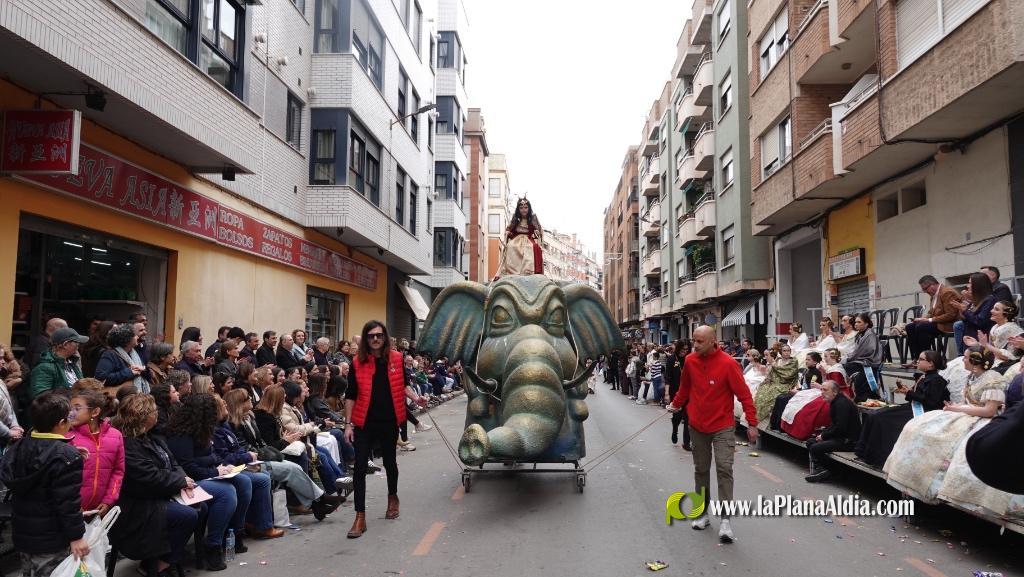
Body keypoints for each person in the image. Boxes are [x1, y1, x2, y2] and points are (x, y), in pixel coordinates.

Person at [165, 393, 279, 570]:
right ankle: (213, 545)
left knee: (243, 482)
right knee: (227, 493)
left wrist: (222, 467)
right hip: (189, 481)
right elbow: (188, 467)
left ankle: (235, 532)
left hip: (208, 472)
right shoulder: (182, 435)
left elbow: (211, 456)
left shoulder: (203, 429)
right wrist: (214, 468)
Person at [667, 326, 758, 543]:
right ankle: (702, 514)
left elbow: (744, 395)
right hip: (697, 425)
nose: (695, 345)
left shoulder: (728, 363)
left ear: (712, 341)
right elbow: (685, 388)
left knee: (724, 469)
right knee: (701, 470)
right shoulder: (689, 361)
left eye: (699, 341)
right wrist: (675, 404)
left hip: (723, 426)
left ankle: (726, 521)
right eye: (694, 341)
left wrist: (752, 424)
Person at [884, 346, 1005, 503]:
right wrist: (956, 408)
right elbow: (967, 402)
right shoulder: (972, 377)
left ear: (975, 361)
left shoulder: (993, 378)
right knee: (917, 427)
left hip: (984, 420)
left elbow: (989, 410)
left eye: (966, 357)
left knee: (944, 438)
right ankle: (916, 477)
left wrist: (957, 408)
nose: (963, 359)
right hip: (966, 414)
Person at [343, 321, 426, 539]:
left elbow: (405, 384)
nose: (375, 339)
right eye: (371, 336)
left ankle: (392, 497)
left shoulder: (397, 358)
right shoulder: (356, 362)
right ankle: (360, 516)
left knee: (390, 462)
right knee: (360, 467)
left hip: (389, 420)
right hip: (364, 422)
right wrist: (348, 424)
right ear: (366, 338)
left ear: (385, 337)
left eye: (379, 335)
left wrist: (417, 398)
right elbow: (350, 394)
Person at [109, 394, 199, 577]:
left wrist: (184, 479)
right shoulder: (128, 444)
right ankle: (162, 563)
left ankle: (170, 557)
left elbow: (173, 462)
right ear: (144, 416)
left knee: (200, 506)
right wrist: (180, 482)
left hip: (161, 493)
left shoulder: (151, 437)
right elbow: (148, 477)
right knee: (187, 515)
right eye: (154, 411)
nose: (157, 414)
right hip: (138, 504)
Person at [0, 393, 88, 577]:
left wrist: (65, 451)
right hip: (52, 538)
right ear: (62, 422)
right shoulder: (66, 458)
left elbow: (40, 459)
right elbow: (68, 503)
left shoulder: (20, 446)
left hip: (25, 535)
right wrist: (77, 536)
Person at [221, 389, 341, 520]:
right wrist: (283, 443)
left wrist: (281, 444)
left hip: (259, 457)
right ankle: (319, 500)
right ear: (239, 403)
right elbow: (248, 449)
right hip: (250, 462)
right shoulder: (235, 424)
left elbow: (261, 444)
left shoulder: (250, 417)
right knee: (292, 467)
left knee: (298, 463)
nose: (251, 398)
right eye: (246, 398)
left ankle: (317, 503)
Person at [855, 350, 948, 467]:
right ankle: (863, 452)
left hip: (923, 413)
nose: (918, 361)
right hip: (913, 408)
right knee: (874, 415)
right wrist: (908, 392)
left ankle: (878, 458)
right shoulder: (925, 377)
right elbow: (917, 397)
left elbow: (931, 402)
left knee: (881, 419)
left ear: (931, 364)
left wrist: (909, 392)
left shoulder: (937, 380)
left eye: (921, 359)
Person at [69, 390, 123, 517]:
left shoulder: (115, 436)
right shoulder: (67, 436)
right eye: (70, 408)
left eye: (77, 408)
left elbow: (118, 471)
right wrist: (72, 503)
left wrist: (109, 500)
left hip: (98, 510)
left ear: (95, 412)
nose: (71, 413)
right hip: (71, 509)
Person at [804, 380, 862, 483]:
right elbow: (834, 425)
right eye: (821, 389)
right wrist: (822, 434)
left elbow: (840, 427)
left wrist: (824, 436)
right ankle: (823, 468)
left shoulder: (841, 404)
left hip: (849, 441)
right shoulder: (836, 401)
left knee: (815, 447)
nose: (822, 392)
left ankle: (832, 470)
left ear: (834, 392)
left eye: (825, 390)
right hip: (841, 436)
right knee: (811, 441)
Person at [904, 275, 962, 365]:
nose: (925, 291)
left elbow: (951, 315)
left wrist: (929, 320)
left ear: (932, 285)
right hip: (937, 323)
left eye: (925, 289)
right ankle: (916, 358)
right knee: (910, 327)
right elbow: (931, 313)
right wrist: (922, 319)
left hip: (948, 324)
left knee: (922, 327)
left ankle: (926, 359)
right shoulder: (933, 295)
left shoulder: (947, 292)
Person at [963, 300, 1022, 372]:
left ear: (1006, 314)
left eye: (996, 309)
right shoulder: (995, 327)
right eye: (993, 308)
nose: (991, 311)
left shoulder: (1011, 329)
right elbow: (990, 350)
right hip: (994, 359)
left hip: (1006, 364)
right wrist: (977, 344)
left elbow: (1010, 357)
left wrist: (986, 345)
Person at [29, 327, 88, 399]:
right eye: (76, 342)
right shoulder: (44, 367)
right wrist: (71, 395)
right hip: (60, 409)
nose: (78, 345)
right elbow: (40, 397)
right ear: (65, 344)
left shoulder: (72, 363)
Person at [495, 197, 544, 277]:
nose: (523, 210)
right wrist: (508, 233)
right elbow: (511, 231)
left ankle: (527, 271)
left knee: (531, 247)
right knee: (511, 246)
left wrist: (537, 233)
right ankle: (511, 271)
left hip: (528, 239)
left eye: (525, 207)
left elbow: (538, 231)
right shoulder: (515, 219)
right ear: (518, 209)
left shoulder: (533, 218)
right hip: (516, 240)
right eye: (521, 208)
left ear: (529, 208)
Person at [96, 324, 150, 395]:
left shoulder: (134, 353)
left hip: (138, 396)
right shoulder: (110, 354)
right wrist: (129, 372)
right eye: (134, 335)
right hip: (120, 399)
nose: (137, 336)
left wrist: (143, 369)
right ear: (127, 340)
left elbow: (148, 376)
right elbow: (101, 378)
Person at [954, 272, 997, 355]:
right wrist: (962, 310)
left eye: (970, 283)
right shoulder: (976, 300)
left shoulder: (990, 300)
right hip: (970, 338)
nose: (967, 286)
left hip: (980, 342)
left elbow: (979, 321)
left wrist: (965, 310)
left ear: (978, 285)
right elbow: (967, 319)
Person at [754, 343, 798, 423]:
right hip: (774, 382)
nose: (786, 352)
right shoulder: (778, 360)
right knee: (762, 391)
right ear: (781, 352)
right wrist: (767, 380)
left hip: (785, 383)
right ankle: (756, 417)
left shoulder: (793, 361)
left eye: (788, 351)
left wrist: (775, 366)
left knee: (771, 394)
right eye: (784, 351)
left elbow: (789, 374)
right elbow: (772, 373)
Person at [844, 313, 883, 402]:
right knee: (846, 365)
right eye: (855, 322)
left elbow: (859, 352)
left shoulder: (869, 334)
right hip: (861, 359)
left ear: (866, 324)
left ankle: (863, 395)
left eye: (859, 322)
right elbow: (857, 352)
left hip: (869, 361)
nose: (856, 324)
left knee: (848, 365)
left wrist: (847, 358)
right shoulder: (860, 334)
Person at [666, 340, 691, 450]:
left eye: (686, 349)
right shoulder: (672, 359)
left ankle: (686, 443)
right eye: (682, 349)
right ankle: (675, 430)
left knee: (688, 417)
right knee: (677, 416)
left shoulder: (690, 359)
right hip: (675, 391)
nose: (684, 352)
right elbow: (667, 377)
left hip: (688, 393)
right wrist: (666, 393)